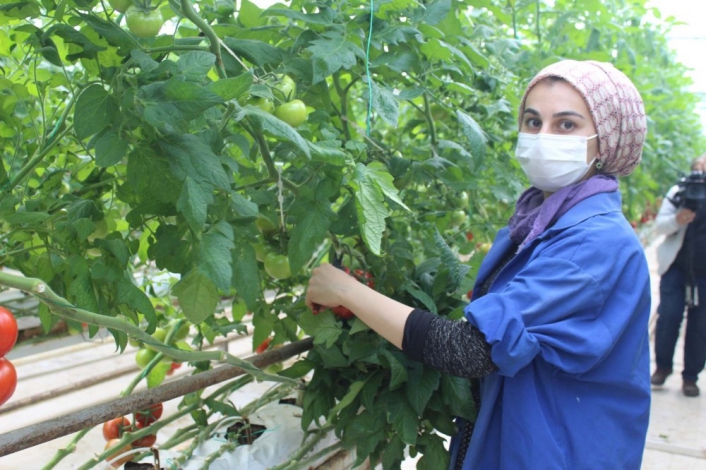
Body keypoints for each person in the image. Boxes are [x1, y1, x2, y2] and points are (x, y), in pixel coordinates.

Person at [306, 60, 651, 469]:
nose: (542, 137)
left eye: (566, 125)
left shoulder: (594, 242)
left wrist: (346, 290)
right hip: (525, 430)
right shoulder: (541, 222)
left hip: (557, 448)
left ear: (605, 142)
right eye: (532, 121)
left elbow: (472, 350)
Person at [651, 154, 706, 397]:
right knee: (668, 318)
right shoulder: (679, 192)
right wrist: (678, 219)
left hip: (703, 273)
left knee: (701, 326)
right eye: (699, 168)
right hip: (675, 268)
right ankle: (662, 367)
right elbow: (660, 226)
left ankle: (690, 377)